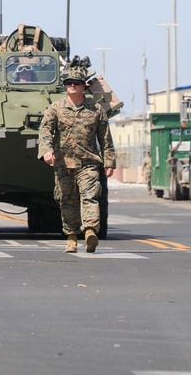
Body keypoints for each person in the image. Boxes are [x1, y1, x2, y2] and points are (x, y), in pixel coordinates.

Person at [38, 63, 116, 254]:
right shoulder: (55, 109)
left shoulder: (96, 110)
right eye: (69, 82)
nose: (72, 85)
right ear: (65, 85)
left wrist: (109, 161)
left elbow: (105, 138)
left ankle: (90, 231)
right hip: (64, 163)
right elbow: (45, 131)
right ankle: (71, 237)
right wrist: (46, 150)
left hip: (88, 163)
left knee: (90, 197)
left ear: (84, 86)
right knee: (67, 200)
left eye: (77, 83)